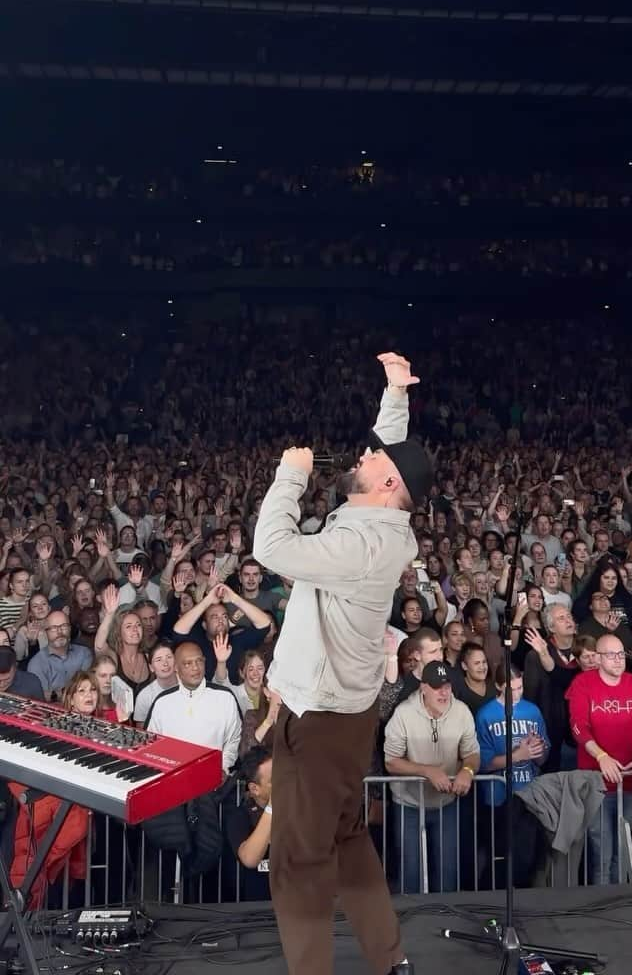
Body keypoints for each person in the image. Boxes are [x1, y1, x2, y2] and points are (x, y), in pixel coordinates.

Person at [253, 351, 434, 975]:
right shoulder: (382, 523)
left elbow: (270, 545)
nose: (360, 455)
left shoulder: (360, 544)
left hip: (322, 722)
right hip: (345, 719)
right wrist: (394, 394)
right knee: (347, 840)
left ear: (387, 486)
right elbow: (391, 449)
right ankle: (389, 959)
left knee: (300, 860)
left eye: (370, 459)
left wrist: (288, 477)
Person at [566, 633, 632, 884]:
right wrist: (601, 756)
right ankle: (601, 906)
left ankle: (619, 903)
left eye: (621, 654)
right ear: (598, 658)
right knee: (601, 849)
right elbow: (578, 726)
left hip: (628, 781)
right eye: (611, 655)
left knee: (622, 849)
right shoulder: (583, 683)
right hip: (596, 783)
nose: (618, 659)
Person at [384, 661, 479, 893]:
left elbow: (472, 753)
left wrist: (467, 771)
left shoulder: (462, 712)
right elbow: (391, 761)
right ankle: (413, 925)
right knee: (411, 872)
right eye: (437, 687)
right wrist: (427, 770)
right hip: (408, 804)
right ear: (423, 687)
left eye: (447, 686)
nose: (444, 692)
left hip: (446, 803)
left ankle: (444, 921)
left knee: (448, 872)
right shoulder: (403, 714)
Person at [144, 641, 242, 775]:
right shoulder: (162, 702)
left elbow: (234, 739)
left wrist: (222, 767)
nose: (195, 668)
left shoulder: (225, 697)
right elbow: (150, 745)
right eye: (187, 664)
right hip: (173, 780)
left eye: (199, 661)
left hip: (213, 780)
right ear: (176, 668)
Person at [475, 664, 550, 805]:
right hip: (497, 795)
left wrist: (536, 749)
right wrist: (517, 755)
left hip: (529, 792)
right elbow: (483, 764)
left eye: (520, 688)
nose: (516, 694)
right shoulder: (485, 715)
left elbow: (543, 759)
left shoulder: (533, 711)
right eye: (510, 689)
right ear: (498, 686)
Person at [171, 582, 271, 682]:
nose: (220, 620)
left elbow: (265, 624)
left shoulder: (237, 640)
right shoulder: (197, 642)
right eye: (214, 617)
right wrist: (207, 601)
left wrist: (234, 598)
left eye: (224, 616)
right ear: (205, 625)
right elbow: (178, 631)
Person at [522, 603, 579, 771]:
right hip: (549, 730)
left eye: (569, 616)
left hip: (579, 733)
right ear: (551, 627)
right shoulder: (536, 654)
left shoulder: (584, 649)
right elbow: (531, 697)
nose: (568, 620)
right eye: (561, 618)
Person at [224, 746, 273, 900]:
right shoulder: (239, 816)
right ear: (254, 789)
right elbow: (250, 859)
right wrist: (273, 807)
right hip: (259, 910)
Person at [28, 609, 92, 700]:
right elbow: (42, 698)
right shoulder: (37, 663)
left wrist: (55, 694)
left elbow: (88, 688)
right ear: (46, 633)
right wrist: (74, 691)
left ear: (70, 629)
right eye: (53, 628)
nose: (59, 632)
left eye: (64, 626)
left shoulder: (84, 654)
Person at [133, 641, 178, 726]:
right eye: (158, 660)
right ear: (151, 667)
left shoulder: (188, 685)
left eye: (169, 657)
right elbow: (141, 730)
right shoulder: (145, 696)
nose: (165, 663)